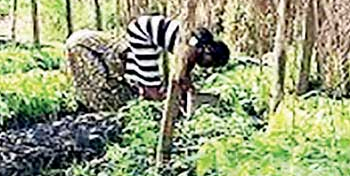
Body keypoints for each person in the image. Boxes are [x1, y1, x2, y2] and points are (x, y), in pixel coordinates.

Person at [64, 14, 230, 112]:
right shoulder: (186, 47)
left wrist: (186, 93)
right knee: (97, 94)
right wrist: (168, 102)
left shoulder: (192, 44)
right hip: (84, 45)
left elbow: (183, 78)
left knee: (123, 92)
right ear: (207, 50)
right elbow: (153, 92)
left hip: (132, 37)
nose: (207, 67)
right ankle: (88, 109)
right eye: (210, 63)